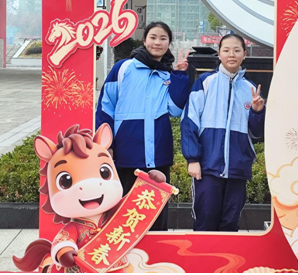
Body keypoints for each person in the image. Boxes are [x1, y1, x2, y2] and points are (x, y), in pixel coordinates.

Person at [95, 21, 192, 231]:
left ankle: (156, 251)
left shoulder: (168, 74)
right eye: (153, 37)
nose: (157, 42)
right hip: (126, 153)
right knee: (123, 215)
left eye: (163, 38)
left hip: (158, 154)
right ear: (145, 40)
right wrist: (106, 145)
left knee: (156, 214)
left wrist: (179, 76)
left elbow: (175, 109)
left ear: (168, 43)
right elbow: (105, 107)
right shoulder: (124, 68)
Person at [181, 33, 265, 232]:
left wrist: (257, 112)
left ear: (244, 54)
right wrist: (193, 159)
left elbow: (256, 134)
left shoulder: (251, 89)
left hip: (238, 169)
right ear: (219, 54)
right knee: (205, 221)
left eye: (236, 50)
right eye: (226, 50)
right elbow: (189, 121)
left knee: (230, 223)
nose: (231, 54)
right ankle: (202, 254)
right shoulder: (205, 82)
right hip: (208, 167)